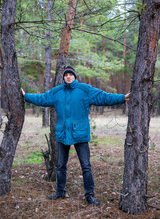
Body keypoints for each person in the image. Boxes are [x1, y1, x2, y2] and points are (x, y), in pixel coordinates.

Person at [22, 65, 130, 206]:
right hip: (62, 134)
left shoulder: (84, 90)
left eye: (71, 75)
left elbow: (103, 97)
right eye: (66, 75)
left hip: (80, 134)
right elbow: (43, 98)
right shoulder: (57, 92)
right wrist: (26, 96)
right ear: (63, 77)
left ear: (75, 76)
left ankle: (89, 195)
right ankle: (60, 192)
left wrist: (122, 98)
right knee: (61, 165)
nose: (68, 76)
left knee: (86, 166)